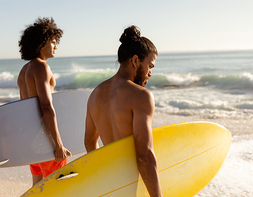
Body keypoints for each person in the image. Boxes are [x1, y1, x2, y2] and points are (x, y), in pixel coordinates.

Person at [84, 25, 163, 197]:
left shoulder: (95, 94)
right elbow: (145, 156)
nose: (150, 73)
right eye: (150, 66)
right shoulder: (141, 96)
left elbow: (90, 143)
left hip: (109, 185)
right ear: (135, 61)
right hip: (130, 186)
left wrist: (104, 177)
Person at [17, 17, 71, 186]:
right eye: (53, 42)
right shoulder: (41, 67)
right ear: (42, 43)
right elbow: (46, 107)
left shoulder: (23, 71)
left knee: (38, 189)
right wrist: (58, 144)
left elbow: (25, 110)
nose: (56, 46)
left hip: (32, 141)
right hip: (46, 140)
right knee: (59, 187)